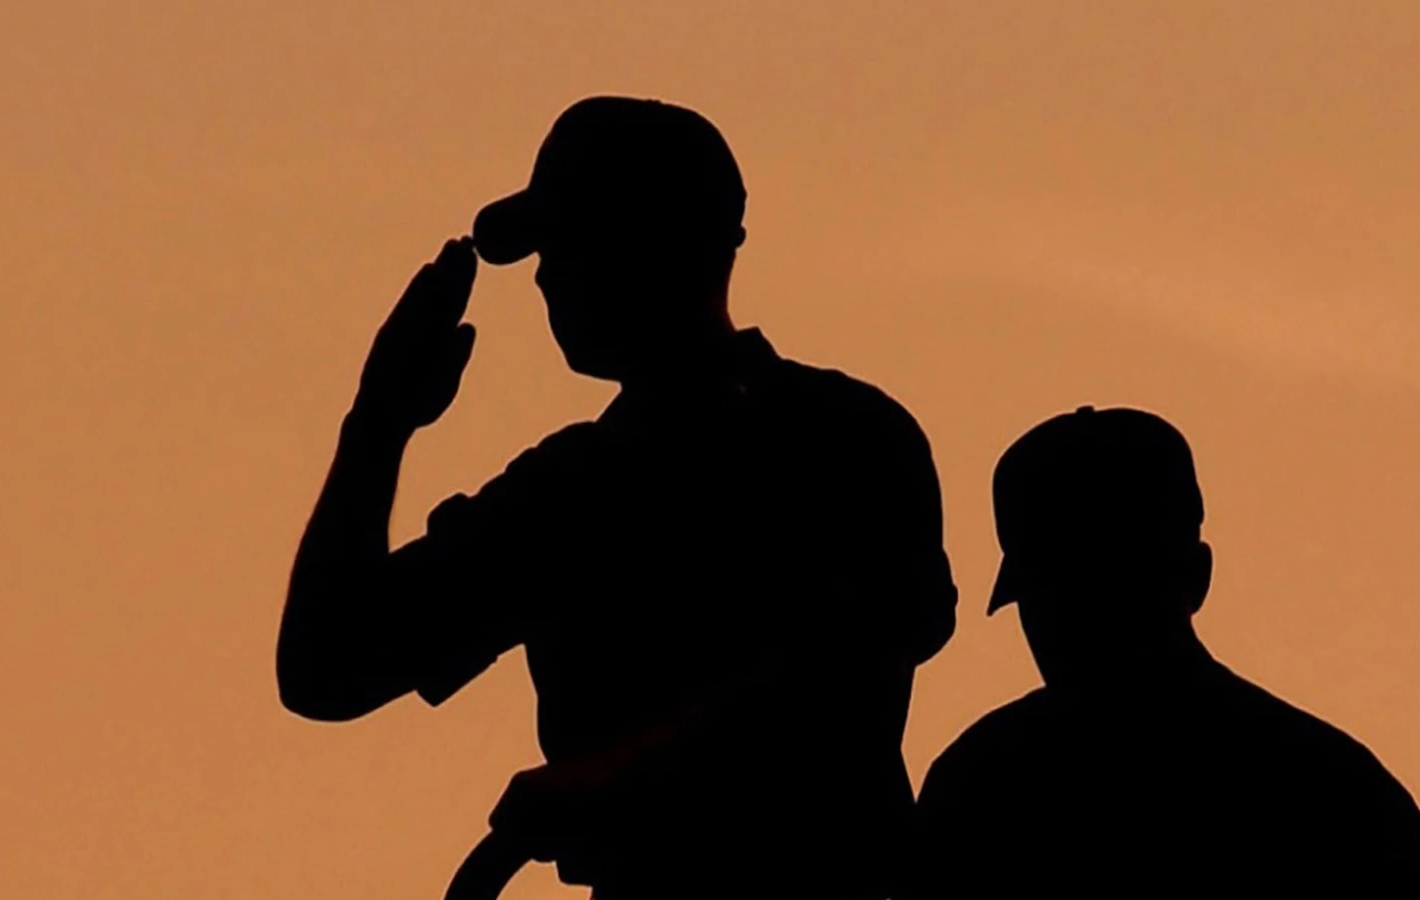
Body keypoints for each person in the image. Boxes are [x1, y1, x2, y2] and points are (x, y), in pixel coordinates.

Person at [275, 96, 957, 900]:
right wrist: (378, 423)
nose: (545, 273)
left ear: (667, 244)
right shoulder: (569, 489)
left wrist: (616, 776)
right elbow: (327, 669)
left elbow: (847, 664)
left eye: (574, 241)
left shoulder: (845, 442)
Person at [904, 406, 1420, 899]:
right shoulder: (1328, 785)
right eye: (1063, 593)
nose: (1073, 624)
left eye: (1104, 587)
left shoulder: (983, 784)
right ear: (1198, 578)